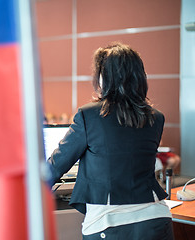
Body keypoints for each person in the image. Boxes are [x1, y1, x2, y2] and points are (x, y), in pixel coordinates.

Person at [47, 43, 174, 239]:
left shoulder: (89, 115)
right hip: (156, 220)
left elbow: (55, 167)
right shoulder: (156, 118)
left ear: (104, 77)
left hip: (109, 224)